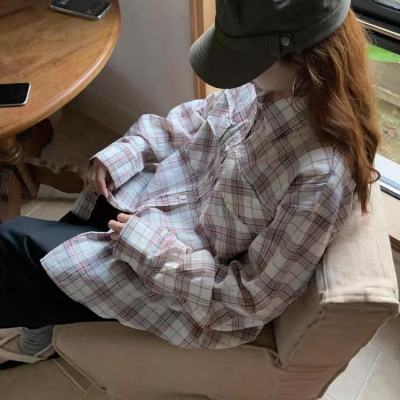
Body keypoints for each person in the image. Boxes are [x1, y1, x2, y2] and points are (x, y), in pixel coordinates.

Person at [0, 0, 380, 369]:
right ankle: (41, 321)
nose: (239, 73)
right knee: (81, 213)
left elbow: (253, 298)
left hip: (183, 277)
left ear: (303, 59)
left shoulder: (319, 176)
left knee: (15, 243)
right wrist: (128, 150)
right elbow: (189, 122)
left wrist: (149, 249)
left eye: (245, 60)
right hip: (162, 205)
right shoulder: (265, 86)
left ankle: (37, 333)